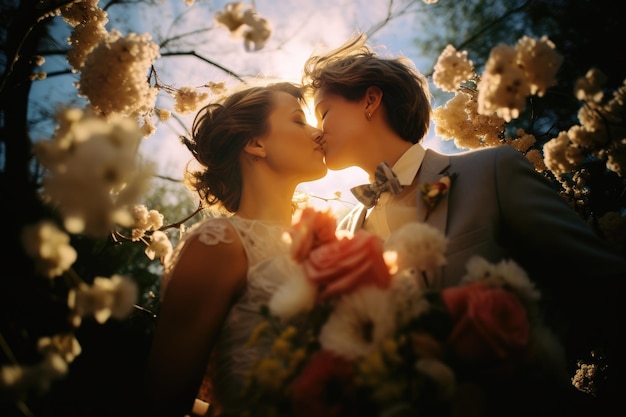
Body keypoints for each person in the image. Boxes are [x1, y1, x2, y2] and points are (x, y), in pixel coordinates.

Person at [301, 33, 626, 414]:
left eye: (324, 113)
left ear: (370, 100)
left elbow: (607, 288)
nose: (318, 131)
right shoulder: (343, 235)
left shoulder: (491, 172)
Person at [141, 82, 327, 417]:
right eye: (299, 120)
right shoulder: (219, 244)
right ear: (256, 143)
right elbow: (164, 400)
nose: (318, 133)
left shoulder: (320, 246)